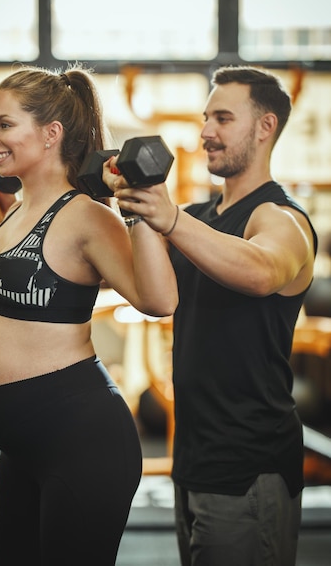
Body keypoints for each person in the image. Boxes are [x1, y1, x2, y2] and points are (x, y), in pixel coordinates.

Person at [0, 63, 178, 566]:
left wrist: (137, 208)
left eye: (4, 124)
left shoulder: (85, 214)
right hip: (23, 447)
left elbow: (160, 300)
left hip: (81, 442)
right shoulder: (18, 208)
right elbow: (15, 286)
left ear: (50, 133)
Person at [104, 65, 318, 566]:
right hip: (194, 460)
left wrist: (170, 218)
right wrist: (132, 206)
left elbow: (263, 270)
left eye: (222, 118)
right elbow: (140, 285)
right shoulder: (199, 219)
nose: (205, 132)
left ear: (265, 127)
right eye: (206, 118)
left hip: (249, 467)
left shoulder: (282, 218)